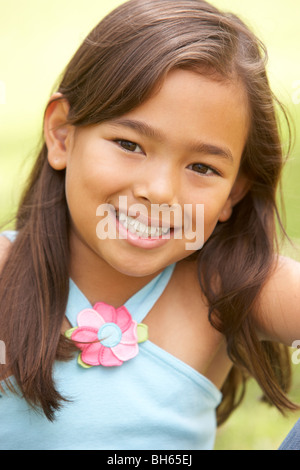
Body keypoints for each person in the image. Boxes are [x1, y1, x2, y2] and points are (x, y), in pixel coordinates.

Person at [0, 0, 299, 450]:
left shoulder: (229, 287)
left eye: (202, 168)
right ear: (62, 134)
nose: (159, 191)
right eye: (129, 144)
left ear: (233, 193)